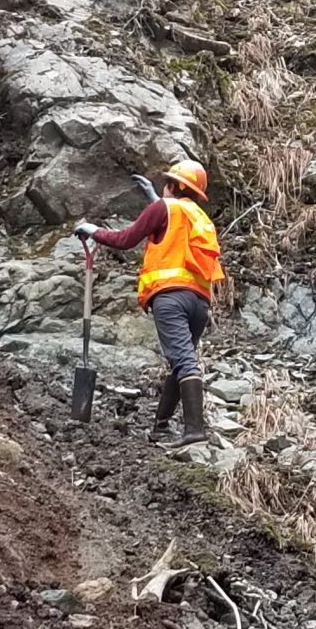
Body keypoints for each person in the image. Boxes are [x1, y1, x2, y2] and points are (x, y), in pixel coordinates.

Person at [76, 160, 223, 446]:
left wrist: (93, 230)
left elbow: (125, 239)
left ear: (174, 186)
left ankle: (195, 430)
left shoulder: (163, 209)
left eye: (167, 183)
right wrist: (156, 200)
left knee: (183, 361)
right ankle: (160, 427)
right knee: (180, 362)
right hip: (200, 304)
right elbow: (176, 232)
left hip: (170, 298)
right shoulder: (201, 218)